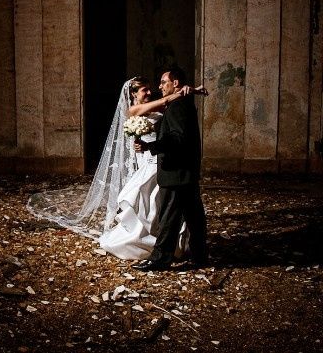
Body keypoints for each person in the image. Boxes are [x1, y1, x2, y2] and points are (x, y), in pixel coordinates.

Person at [26, 75, 207, 261]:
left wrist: (185, 91)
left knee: (163, 205)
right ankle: (147, 243)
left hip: (160, 162)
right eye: (144, 89)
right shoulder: (134, 109)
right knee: (150, 203)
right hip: (153, 163)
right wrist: (189, 90)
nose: (150, 92)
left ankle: (167, 245)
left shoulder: (158, 105)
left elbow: (168, 108)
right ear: (133, 94)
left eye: (149, 88)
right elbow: (166, 99)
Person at [132, 68, 208, 271]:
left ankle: (159, 259)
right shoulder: (182, 103)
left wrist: (151, 146)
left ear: (175, 84)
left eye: (163, 82)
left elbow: (177, 138)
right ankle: (200, 255)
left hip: (176, 171)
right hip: (185, 172)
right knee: (194, 216)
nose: (160, 86)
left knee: (169, 217)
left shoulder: (177, 107)